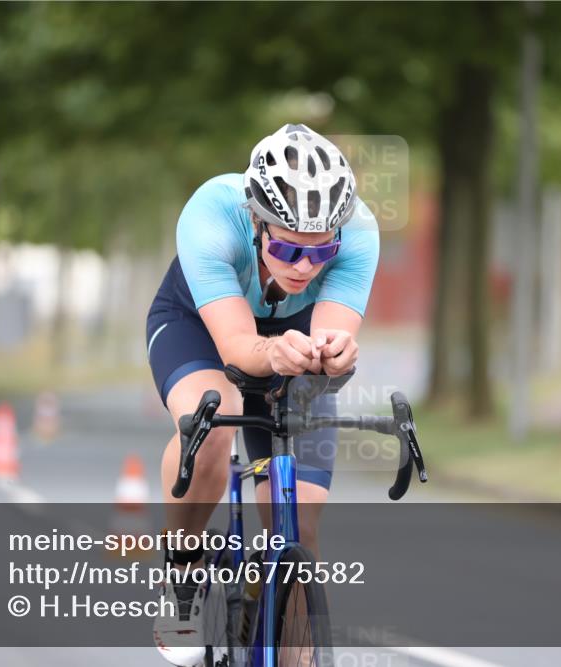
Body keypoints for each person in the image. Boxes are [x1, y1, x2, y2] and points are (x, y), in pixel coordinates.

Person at [146, 123, 380, 665]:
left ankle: (276, 628)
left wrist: (336, 354)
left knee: (300, 517)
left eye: (322, 253)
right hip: (200, 327)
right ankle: (182, 577)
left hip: (291, 338)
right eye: (286, 248)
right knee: (213, 422)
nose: (304, 266)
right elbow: (236, 349)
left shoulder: (360, 231)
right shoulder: (211, 214)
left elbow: (333, 340)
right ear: (256, 221)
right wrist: (273, 354)